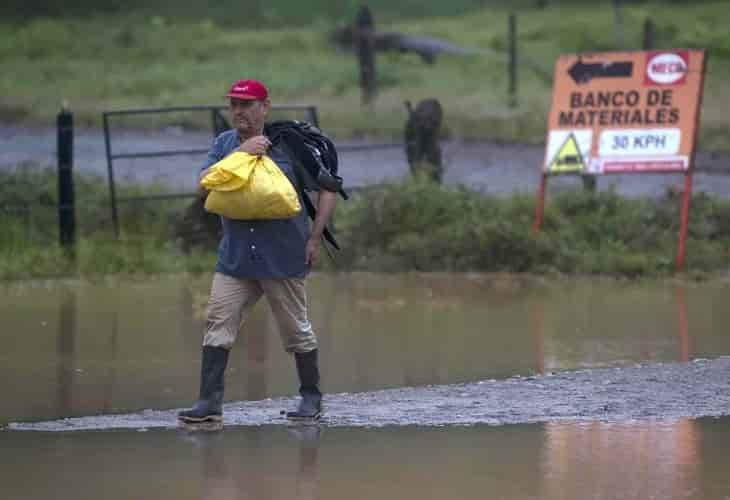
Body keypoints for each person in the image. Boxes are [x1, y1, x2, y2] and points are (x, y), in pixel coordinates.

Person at [178, 79, 338, 423]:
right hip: (235, 256)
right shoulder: (223, 144)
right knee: (217, 324)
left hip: (282, 255)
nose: (239, 111)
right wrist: (241, 154)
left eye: (247, 105)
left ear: (264, 108)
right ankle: (209, 403)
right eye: (234, 105)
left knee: (296, 330)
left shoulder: (289, 147)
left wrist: (314, 237)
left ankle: (311, 398)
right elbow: (202, 184)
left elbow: (328, 188)